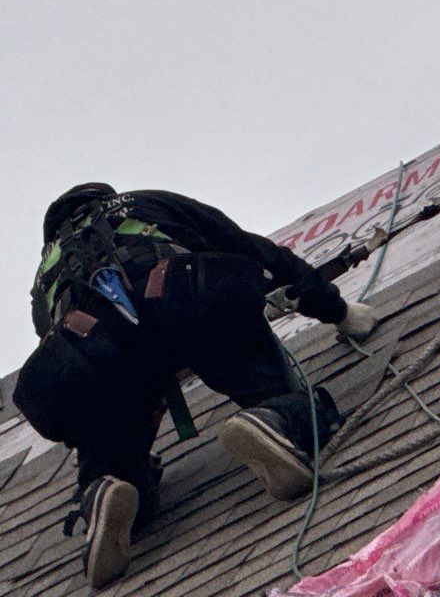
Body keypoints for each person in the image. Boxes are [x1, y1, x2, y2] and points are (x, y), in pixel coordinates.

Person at [10, 182, 379, 588]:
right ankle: (272, 419)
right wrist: (337, 309)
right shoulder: (142, 202)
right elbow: (253, 251)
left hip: (94, 345)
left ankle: (104, 487)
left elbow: (75, 385)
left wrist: (112, 437)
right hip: (181, 295)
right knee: (278, 393)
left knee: (112, 444)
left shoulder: (46, 276)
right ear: (101, 196)